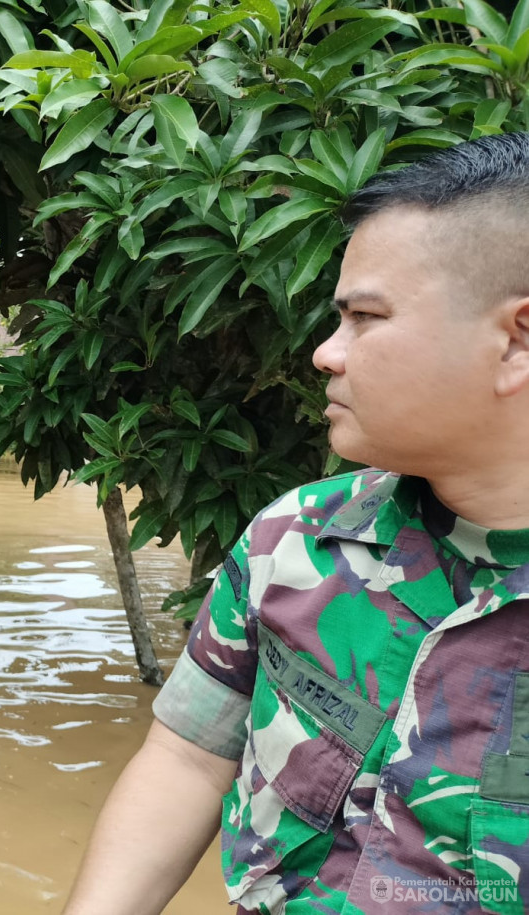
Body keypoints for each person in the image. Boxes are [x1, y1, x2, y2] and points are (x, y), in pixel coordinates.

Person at [62, 130, 529, 915]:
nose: (324, 353)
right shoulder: (296, 539)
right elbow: (187, 759)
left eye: (364, 319)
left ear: (517, 341)